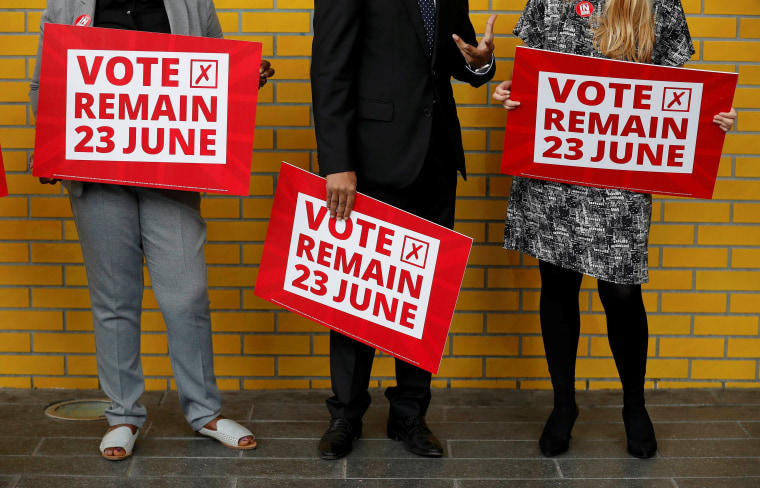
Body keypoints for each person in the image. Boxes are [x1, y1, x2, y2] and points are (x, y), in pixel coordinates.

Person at [29, 0, 274, 461]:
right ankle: (123, 415)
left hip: (173, 170)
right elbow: (47, 75)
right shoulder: (66, 3)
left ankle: (205, 412)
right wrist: (46, 148)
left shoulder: (191, 2)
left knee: (186, 294)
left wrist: (243, 77)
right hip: (96, 170)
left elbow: (214, 62)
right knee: (115, 297)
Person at [492, 0, 736, 459]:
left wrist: (712, 119)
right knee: (558, 282)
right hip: (555, 165)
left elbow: (673, 93)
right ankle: (563, 406)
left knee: (620, 292)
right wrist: (511, 93)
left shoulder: (657, 3)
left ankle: (634, 407)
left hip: (619, 174)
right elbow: (537, 74)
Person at [311, 0, 496, 460]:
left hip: (435, 159)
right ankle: (346, 415)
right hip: (370, 160)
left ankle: (409, 414)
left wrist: (481, 62)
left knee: (423, 292)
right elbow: (329, 69)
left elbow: (459, 59)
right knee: (358, 287)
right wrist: (338, 164)